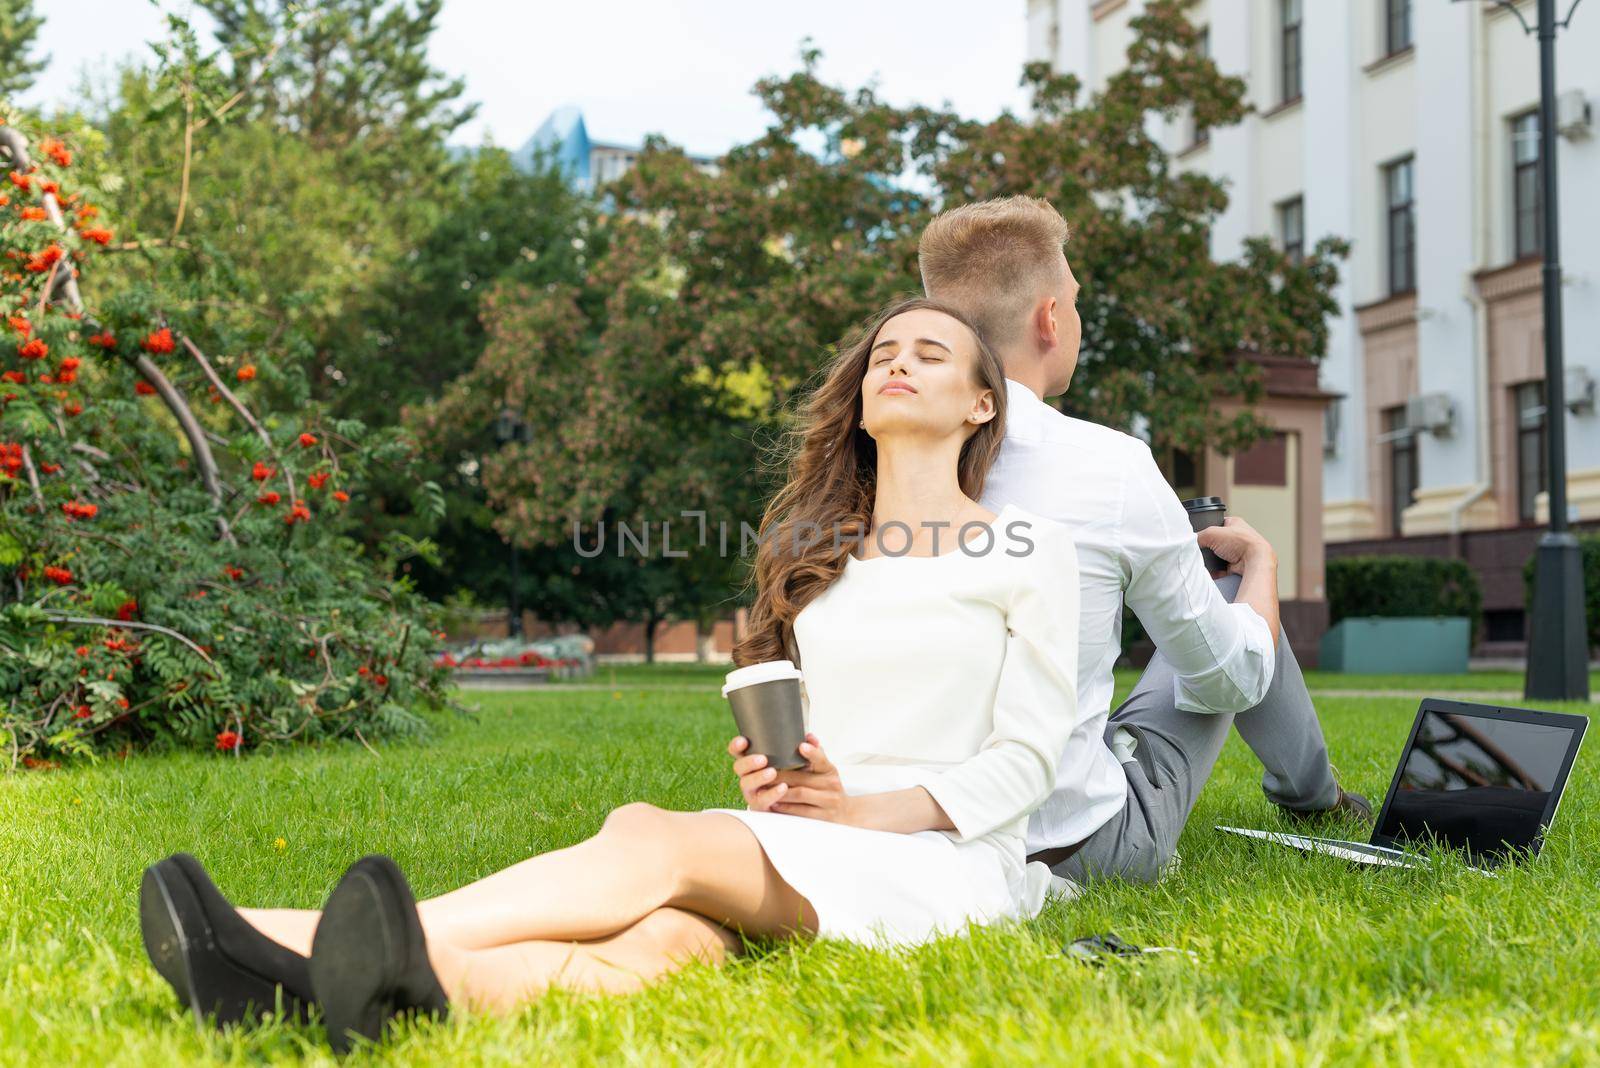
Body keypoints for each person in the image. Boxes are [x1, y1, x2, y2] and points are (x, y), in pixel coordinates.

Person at [138, 297, 1085, 1052]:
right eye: (884, 351)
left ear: (981, 403)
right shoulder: (819, 551)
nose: (896, 361)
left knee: (651, 839)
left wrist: (861, 812)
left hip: (944, 859)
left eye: (928, 352)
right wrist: (781, 782)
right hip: (815, 834)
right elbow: (824, 738)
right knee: (668, 941)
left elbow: (1029, 762)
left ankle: (298, 940)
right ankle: (394, 991)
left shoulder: (1026, 548)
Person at [909, 195, 1370, 884]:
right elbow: (1229, 677)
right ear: (1050, 318)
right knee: (1234, 596)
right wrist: (1264, 567)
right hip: (1080, 850)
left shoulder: (873, 461)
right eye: (1075, 301)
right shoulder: (1106, 464)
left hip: (913, 835)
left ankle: (1317, 795)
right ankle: (1318, 799)